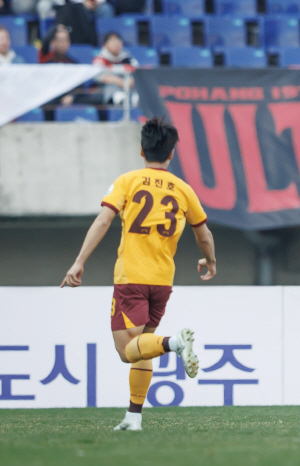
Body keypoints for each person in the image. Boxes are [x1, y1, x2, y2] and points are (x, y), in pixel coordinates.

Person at [61, 117, 217, 432]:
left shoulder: (128, 181)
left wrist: (79, 262)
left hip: (131, 277)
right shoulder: (184, 189)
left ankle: (174, 343)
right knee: (143, 345)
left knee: (125, 351)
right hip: (163, 281)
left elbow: (104, 221)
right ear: (171, 154)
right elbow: (204, 233)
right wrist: (210, 261)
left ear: (141, 151)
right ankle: (134, 417)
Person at [92, 32, 139, 106]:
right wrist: (118, 81)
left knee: (137, 86)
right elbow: (98, 77)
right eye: (112, 41)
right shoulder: (100, 59)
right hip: (107, 89)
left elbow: (138, 72)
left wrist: (131, 80)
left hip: (128, 87)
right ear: (105, 44)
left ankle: (136, 99)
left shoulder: (128, 58)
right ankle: (119, 100)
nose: (116, 44)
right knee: (111, 87)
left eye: (118, 41)